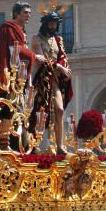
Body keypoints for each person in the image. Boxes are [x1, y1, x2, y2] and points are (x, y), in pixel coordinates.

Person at [0, 2, 43, 146]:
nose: (28, 15)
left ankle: (20, 143)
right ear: (16, 14)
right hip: (10, 74)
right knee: (9, 107)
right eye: (25, 12)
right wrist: (34, 56)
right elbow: (13, 49)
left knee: (20, 108)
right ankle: (6, 143)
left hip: (20, 75)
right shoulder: (9, 28)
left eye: (29, 12)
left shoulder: (21, 30)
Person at [30, 11, 73, 151]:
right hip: (42, 79)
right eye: (51, 23)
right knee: (41, 112)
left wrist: (65, 69)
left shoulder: (58, 40)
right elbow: (42, 59)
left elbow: (63, 56)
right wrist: (60, 67)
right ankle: (36, 146)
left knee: (59, 110)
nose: (53, 26)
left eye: (55, 23)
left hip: (55, 80)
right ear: (45, 23)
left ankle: (60, 146)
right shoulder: (36, 39)